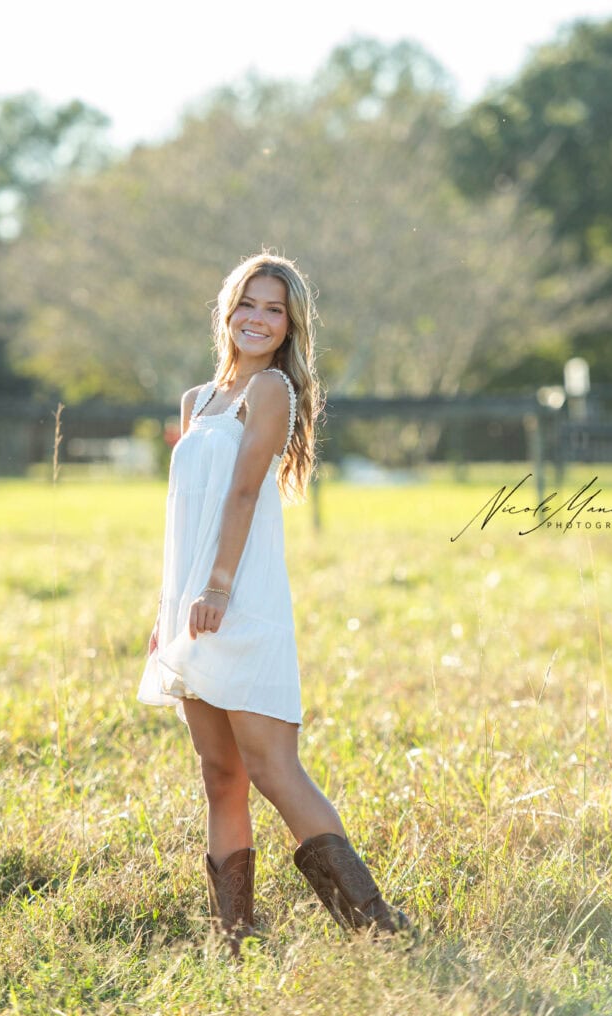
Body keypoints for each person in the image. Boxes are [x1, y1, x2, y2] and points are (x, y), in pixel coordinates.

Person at [138, 252, 413, 956]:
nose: (257, 319)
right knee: (218, 773)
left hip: (239, 597)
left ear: (289, 326)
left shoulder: (271, 393)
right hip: (192, 606)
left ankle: (377, 929)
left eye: (273, 310)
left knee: (272, 768)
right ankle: (233, 936)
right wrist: (165, 611)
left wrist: (220, 587)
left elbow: (240, 493)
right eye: (247, 305)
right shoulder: (197, 401)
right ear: (226, 311)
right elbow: (183, 513)